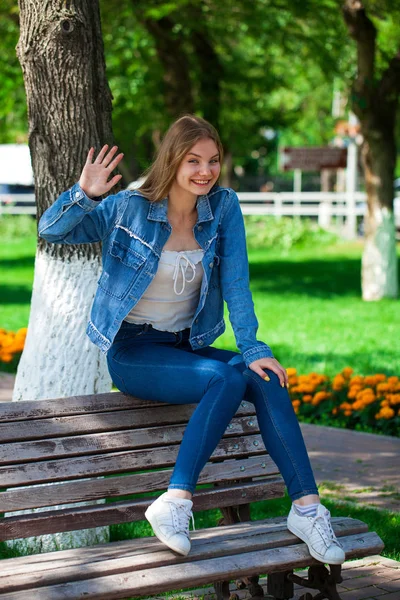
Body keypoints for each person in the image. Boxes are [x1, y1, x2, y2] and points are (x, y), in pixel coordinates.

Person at [38, 115, 345, 564]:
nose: (205, 170)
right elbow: (51, 231)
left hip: (188, 345)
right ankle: (175, 502)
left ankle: (307, 509)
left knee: (265, 377)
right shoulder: (128, 208)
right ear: (173, 160)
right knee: (223, 378)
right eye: (193, 160)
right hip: (134, 352)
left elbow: (237, 284)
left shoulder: (223, 208)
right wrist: (84, 195)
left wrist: (254, 349)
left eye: (213, 160)